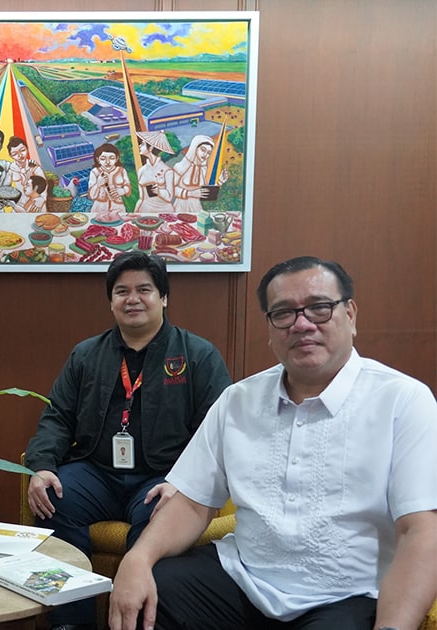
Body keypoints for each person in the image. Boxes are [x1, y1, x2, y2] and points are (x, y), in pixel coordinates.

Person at [109, 256, 437, 630]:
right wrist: (137, 559)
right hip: (243, 579)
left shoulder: (403, 400)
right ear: (269, 328)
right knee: (153, 594)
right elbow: (192, 502)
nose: (301, 324)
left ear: (351, 314)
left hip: (346, 595)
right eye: (283, 313)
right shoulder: (238, 400)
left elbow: (421, 531)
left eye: (319, 308)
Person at [25, 251, 231, 630]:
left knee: (158, 516)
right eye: (122, 291)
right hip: (97, 473)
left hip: (163, 478)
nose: (132, 298)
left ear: (164, 297)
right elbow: (57, 416)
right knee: (55, 499)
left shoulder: (197, 355)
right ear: (111, 301)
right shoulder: (87, 355)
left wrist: (184, 485)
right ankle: (70, 621)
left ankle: (136, 623)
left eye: (144, 289)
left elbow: (219, 432)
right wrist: (41, 466)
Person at [172, 134, 228, 216]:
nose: (205, 155)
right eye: (203, 150)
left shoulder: (203, 169)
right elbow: (170, 189)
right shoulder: (180, 166)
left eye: (209, 153)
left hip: (197, 208)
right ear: (195, 148)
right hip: (181, 207)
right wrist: (190, 193)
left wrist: (219, 182)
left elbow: (206, 193)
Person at [133, 131, 176, 214]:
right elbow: (141, 198)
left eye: (142, 144)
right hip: (145, 210)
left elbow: (169, 197)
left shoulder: (168, 171)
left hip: (164, 212)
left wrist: (159, 191)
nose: (139, 146)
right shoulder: (141, 171)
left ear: (150, 148)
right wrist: (134, 214)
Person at [88, 142, 131, 216]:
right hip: (99, 208)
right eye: (103, 159)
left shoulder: (121, 170)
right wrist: (98, 184)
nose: (107, 162)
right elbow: (92, 196)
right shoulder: (95, 172)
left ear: (117, 159)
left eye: (111, 158)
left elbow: (128, 188)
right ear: (98, 160)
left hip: (118, 208)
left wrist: (122, 191)